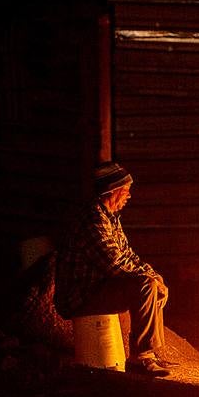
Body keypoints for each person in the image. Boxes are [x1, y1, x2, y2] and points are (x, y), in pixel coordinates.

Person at [53, 161, 171, 377]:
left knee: (151, 281)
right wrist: (149, 278)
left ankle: (150, 353)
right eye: (125, 191)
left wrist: (154, 275)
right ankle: (140, 358)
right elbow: (114, 264)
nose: (129, 196)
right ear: (111, 191)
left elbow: (128, 255)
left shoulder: (110, 218)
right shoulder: (93, 220)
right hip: (81, 296)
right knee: (144, 284)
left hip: (99, 288)